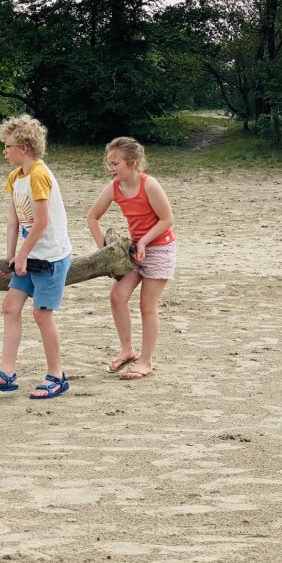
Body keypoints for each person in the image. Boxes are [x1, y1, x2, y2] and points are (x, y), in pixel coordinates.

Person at [0, 114, 72, 399]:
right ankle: (6, 371)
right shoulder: (16, 177)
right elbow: (15, 219)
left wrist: (22, 254)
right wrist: (10, 256)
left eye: (8, 146)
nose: (4, 151)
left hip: (50, 257)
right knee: (10, 307)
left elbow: (41, 222)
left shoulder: (40, 174)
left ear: (24, 147)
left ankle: (57, 375)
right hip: (28, 256)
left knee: (42, 314)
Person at [86, 137, 175, 381]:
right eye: (109, 163)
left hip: (160, 248)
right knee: (117, 296)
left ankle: (146, 362)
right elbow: (92, 217)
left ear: (133, 163)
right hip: (133, 250)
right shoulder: (114, 187)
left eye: (115, 164)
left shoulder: (150, 185)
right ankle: (127, 351)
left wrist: (145, 241)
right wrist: (104, 251)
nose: (111, 168)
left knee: (147, 305)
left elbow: (167, 220)